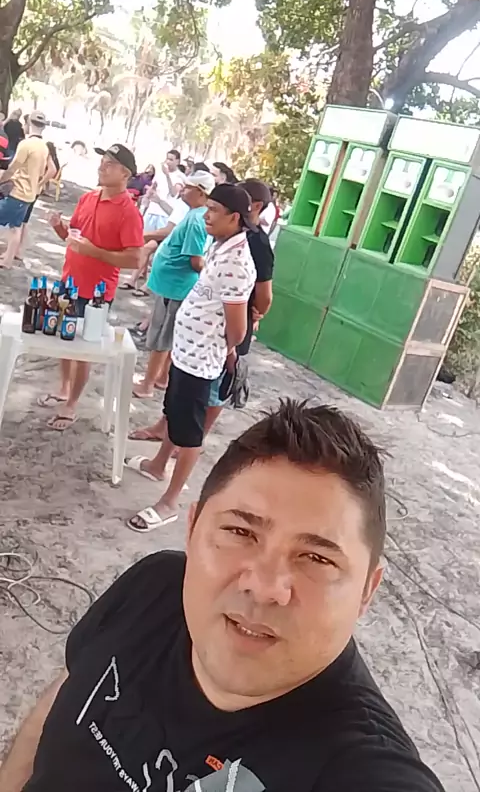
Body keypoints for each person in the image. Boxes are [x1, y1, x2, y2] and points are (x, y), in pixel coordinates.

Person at [0, 400, 445, 792]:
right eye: (240, 532)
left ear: (367, 590)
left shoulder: (359, 765)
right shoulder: (154, 585)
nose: (265, 587)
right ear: (193, 529)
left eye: (316, 558)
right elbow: (66, 693)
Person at [126, 183, 257, 533]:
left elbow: (237, 329)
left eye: (213, 210)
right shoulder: (220, 245)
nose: (206, 216)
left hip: (201, 360)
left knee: (189, 434)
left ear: (234, 217)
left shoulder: (237, 263)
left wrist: (225, 348)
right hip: (186, 353)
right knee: (174, 412)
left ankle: (169, 501)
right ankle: (157, 465)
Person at [37, 143, 144, 431]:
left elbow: (134, 259)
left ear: (125, 174)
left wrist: (93, 252)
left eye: (109, 164)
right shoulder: (88, 197)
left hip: (96, 293)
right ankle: (63, 387)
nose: (101, 167)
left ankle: (72, 403)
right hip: (69, 282)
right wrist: (59, 227)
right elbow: (74, 238)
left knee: (84, 350)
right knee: (64, 339)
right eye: (102, 161)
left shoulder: (129, 212)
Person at [132, 170, 215, 398]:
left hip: (176, 286)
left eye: (187, 188)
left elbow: (196, 260)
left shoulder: (197, 220)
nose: (182, 191)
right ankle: (162, 377)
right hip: (172, 284)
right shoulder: (195, 215)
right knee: (169, 334)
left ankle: (148, 385)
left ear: (200, 193)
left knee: (162, 336)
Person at [204, 178, 274, 435]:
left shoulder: (257, 243)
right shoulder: (228, 235)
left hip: (234, 321)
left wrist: (256, 313)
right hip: (210, 319)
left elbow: (265, 294)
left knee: (217, 385)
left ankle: (197, 438)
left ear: (255, 206)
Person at [0, 111, 48, 268]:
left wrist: (2, 180)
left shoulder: (26, 144)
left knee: (14, 227)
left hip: (17, 192)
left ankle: (7, 260)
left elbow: (13, 167)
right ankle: (7, 259)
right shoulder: (44, 147)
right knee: (16, 227)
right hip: (29, 194)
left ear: (28, 124)